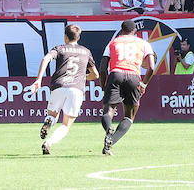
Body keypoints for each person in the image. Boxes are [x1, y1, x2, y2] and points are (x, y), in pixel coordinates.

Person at [29, 24, 99, 154]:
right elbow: (96, 75)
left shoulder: (60, 48)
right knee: (66, 125)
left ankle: (49, 121)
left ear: (65, 36)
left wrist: (39, 79)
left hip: (59, 85)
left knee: (52, 114)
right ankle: (48, 143)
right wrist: (82, 77)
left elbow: (46, 58)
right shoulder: (86, 51)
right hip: (76, 89)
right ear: (78, 37)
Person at [100, 19, 156, 155]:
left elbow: (102, 68)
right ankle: (110, 142)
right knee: (129, 116)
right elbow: (152, 67)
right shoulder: (144, 43)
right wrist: (144, 84)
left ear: (121, 30)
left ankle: (108, 130)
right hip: (133, 76)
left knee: (108, 111)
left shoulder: (113, 42)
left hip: (116, 74)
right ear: (135, 31)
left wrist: (104, 87)